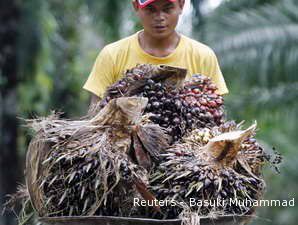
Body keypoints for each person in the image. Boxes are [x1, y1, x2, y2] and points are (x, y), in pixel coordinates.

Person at [83, 0, 228, 106]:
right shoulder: (112, 55)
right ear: (136, 7)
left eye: (167, 8)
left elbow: (215, 113)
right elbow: (96, 117)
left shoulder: (202, 56)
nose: (159, 17)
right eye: (151, 9)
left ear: (181, 5)